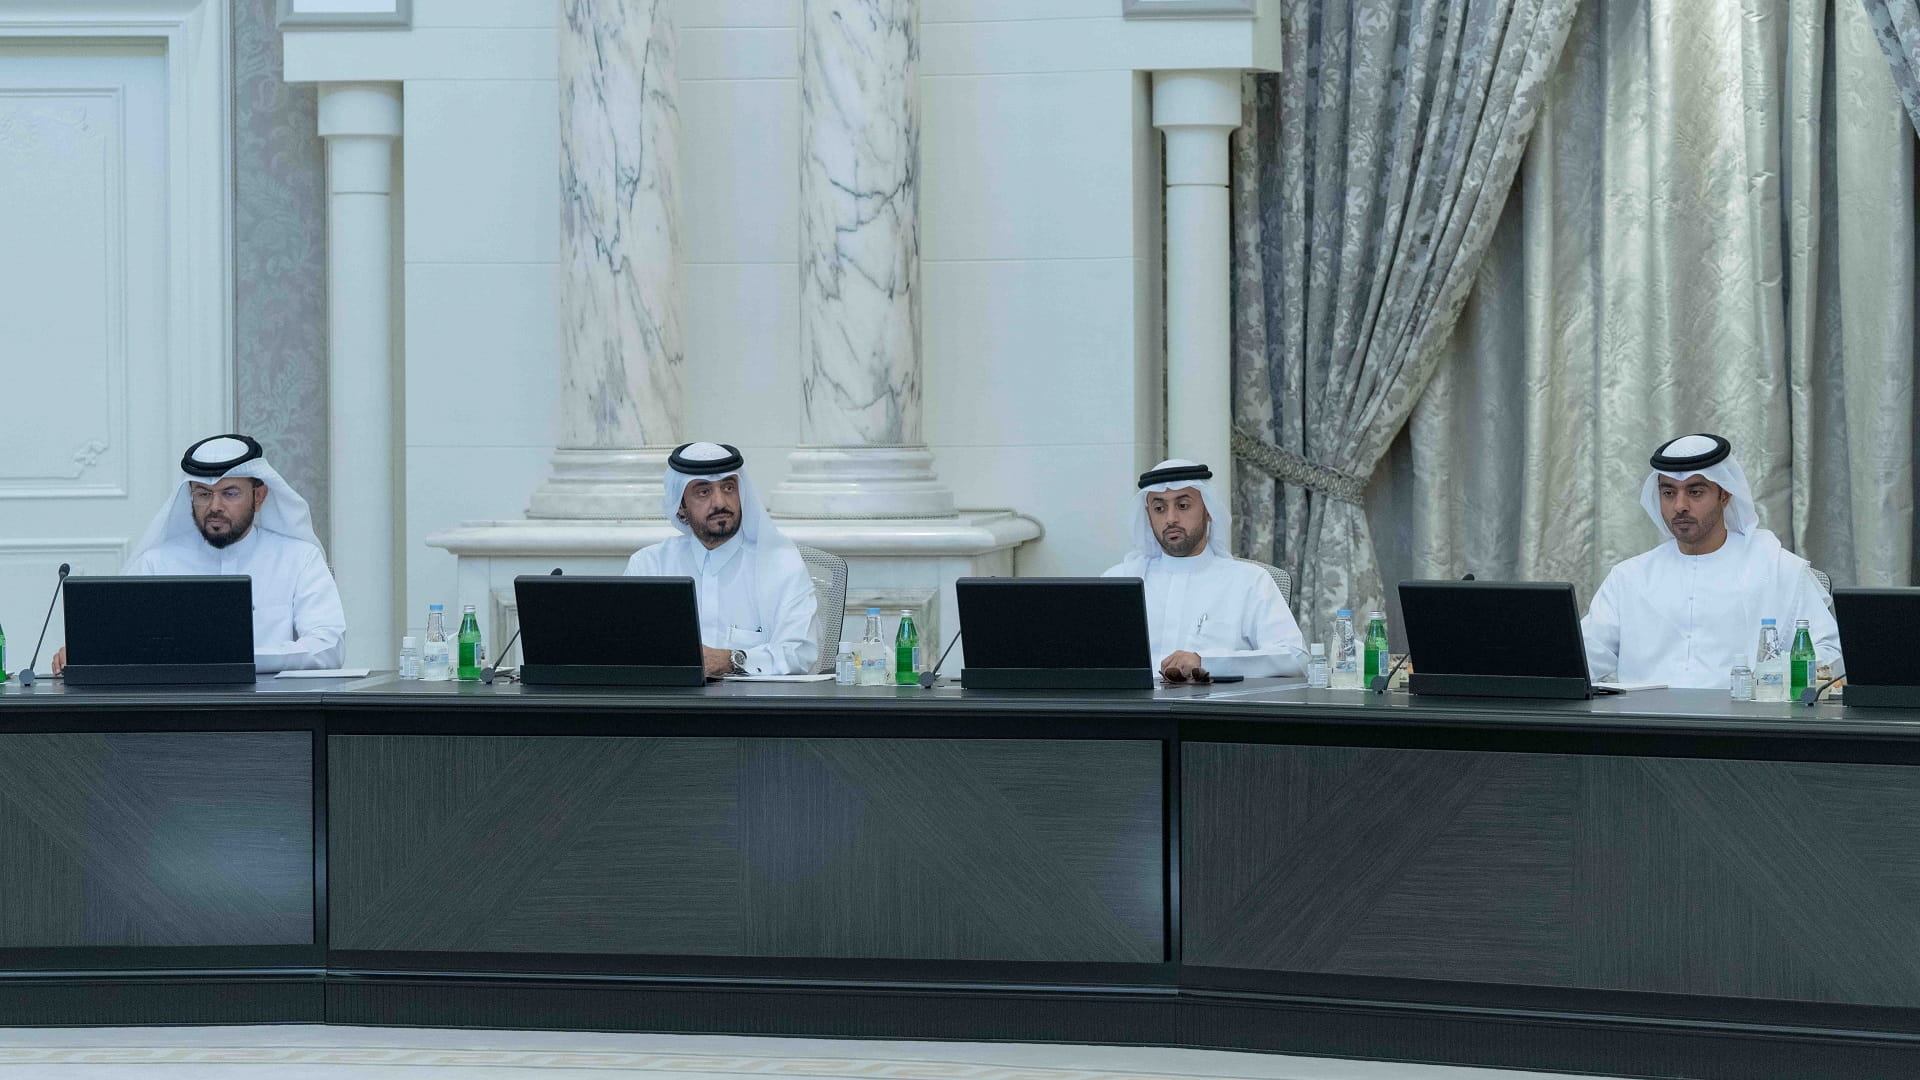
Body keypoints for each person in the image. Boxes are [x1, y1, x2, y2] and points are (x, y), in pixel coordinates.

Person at [52, 434, 346, 674]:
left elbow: (328, 647)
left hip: (271, 710)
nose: (215, 506)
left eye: (230, 493)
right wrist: (86, 652)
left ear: (259, 497)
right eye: (203, 494)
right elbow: (120, 642)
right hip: (173, 712)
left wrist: (239, 658)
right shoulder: (157, 563)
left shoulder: (299, 558)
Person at [1581, 432, 1840, 688]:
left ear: (1724, 495)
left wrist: (1770, 677)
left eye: (1695, 492)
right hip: (1643, 714)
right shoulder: (1629, 577)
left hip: (1745, 712)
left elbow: (1829, 655)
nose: (1680, 506)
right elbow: (1584, 660)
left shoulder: (1776, 567)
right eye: (1669, 492)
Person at [625, 442, 820, 677]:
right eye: (703, 492)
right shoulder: (650, 565)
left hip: (753, 700)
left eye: (728, 488)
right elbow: (629, 649)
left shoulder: (780, 563)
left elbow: (800, 653)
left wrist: (731, 660)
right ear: (680, 507)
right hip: (672, 698)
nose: (719, 502)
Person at [1101, 459, 1307, 681]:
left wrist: (1207, 663)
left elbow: (1295, 658)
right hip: (1131, 703)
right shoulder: (1118, 581)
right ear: (1148, 516)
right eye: (1159, 509)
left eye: (1183, 506)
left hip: (1216, 703)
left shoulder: (1249, 581)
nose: (1171, 519)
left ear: (1208, 510)